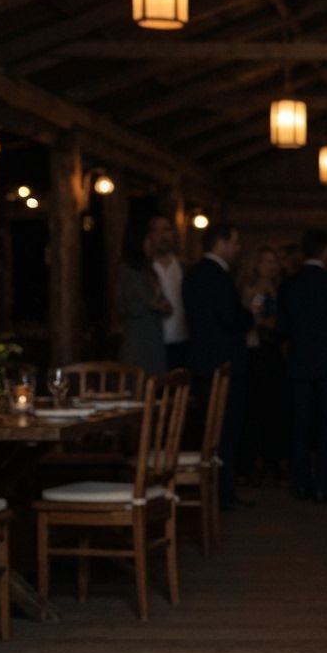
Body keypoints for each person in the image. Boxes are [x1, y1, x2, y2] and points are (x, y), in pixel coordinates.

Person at [277, 229, 327, 503]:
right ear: (325, 251)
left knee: (301, 425)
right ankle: (324, 484)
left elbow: (281, 327)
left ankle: (301, 484)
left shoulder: (289, 284)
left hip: (298, 365)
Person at [182, 222, 253, 509]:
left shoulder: (193, 275)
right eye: (235, 242)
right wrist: (249, 314)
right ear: (220, 242)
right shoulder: (219, 277)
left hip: (201, 363)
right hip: (223, 367)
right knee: (224, 432)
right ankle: (223, 495)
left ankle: (214, 493)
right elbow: (231, 319)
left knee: (210, 432)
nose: (237, 249)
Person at [240, 245, 284, 482]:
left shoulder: (278, 287)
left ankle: (272, 459)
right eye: (266, 261)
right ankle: (254, 462)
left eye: (274, 261)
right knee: (258, 406)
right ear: (256, 265)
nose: (271, 266)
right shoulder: (251, 289)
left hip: (275, 352)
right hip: (257, 352)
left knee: (274, 408)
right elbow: (252, 321)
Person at [116, 225, 169, 377]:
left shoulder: (150, 270)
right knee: (136, 380)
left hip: (154, 335)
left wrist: (163, 305)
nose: (151, 244)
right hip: (137, 337)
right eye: (148, 240)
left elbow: (159, 298)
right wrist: (150, 305)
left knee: (155, 381)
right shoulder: (127, 270)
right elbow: (122, 304)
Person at [146, 214, 189, 369]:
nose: (162, 236)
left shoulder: (183, 266)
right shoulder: (145, 268)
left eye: (166, 230)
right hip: (154, 344)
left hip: (182, 340)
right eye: (157, 231)